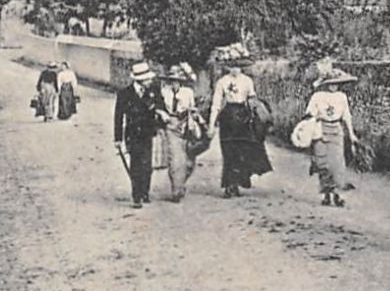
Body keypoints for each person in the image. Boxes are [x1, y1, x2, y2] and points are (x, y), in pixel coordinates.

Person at [208, 43, 272, 197]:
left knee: (242, 149)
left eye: (238, 65)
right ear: (228, 66)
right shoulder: (222, 82)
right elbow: (216, 103)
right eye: (232, 66)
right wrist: (211, 125)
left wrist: (259, 119)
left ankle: (239, 180)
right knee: (229, 150)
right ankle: (230, 185)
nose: (235, 69)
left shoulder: (247, 81)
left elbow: (253, 100)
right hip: (228, 117)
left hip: (244, 116)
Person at [304, 66, 359, 207]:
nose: (334, 86)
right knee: (323, 164)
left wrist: (351, 134)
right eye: (331, 83)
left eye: (336, 83)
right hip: (320, 130)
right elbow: (310, 114)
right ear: (326, 84)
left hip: (336, 130)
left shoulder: (342, 97)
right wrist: (308, 130)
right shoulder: (317, 96)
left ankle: (337, 195)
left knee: (337, 164)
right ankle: (326, 194)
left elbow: (346, 116)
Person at [113, 62, 162, 206]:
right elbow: (118, 117)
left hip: (148, 133)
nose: (150, 81)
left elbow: (161, 105)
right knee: (135, 164)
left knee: (147, 165)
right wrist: (117, 138)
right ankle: (137, 196)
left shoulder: (153, 91)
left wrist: (160, 113)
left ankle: (145, 191)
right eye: (147, 79)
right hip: (132, 134)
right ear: (139, 80)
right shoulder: (125, 94)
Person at [158, 62, 201, 203]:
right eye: (172, 81)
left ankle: (181, 184)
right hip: (171, 125)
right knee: (175, 158)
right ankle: (176, 189)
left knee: (189, 161)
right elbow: (158, 107)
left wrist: (193, 116)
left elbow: (193, 108)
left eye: (177, 81)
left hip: (185, 126)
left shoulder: (188, 93)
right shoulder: (164, 92)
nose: (174, 84)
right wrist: (162, 113)